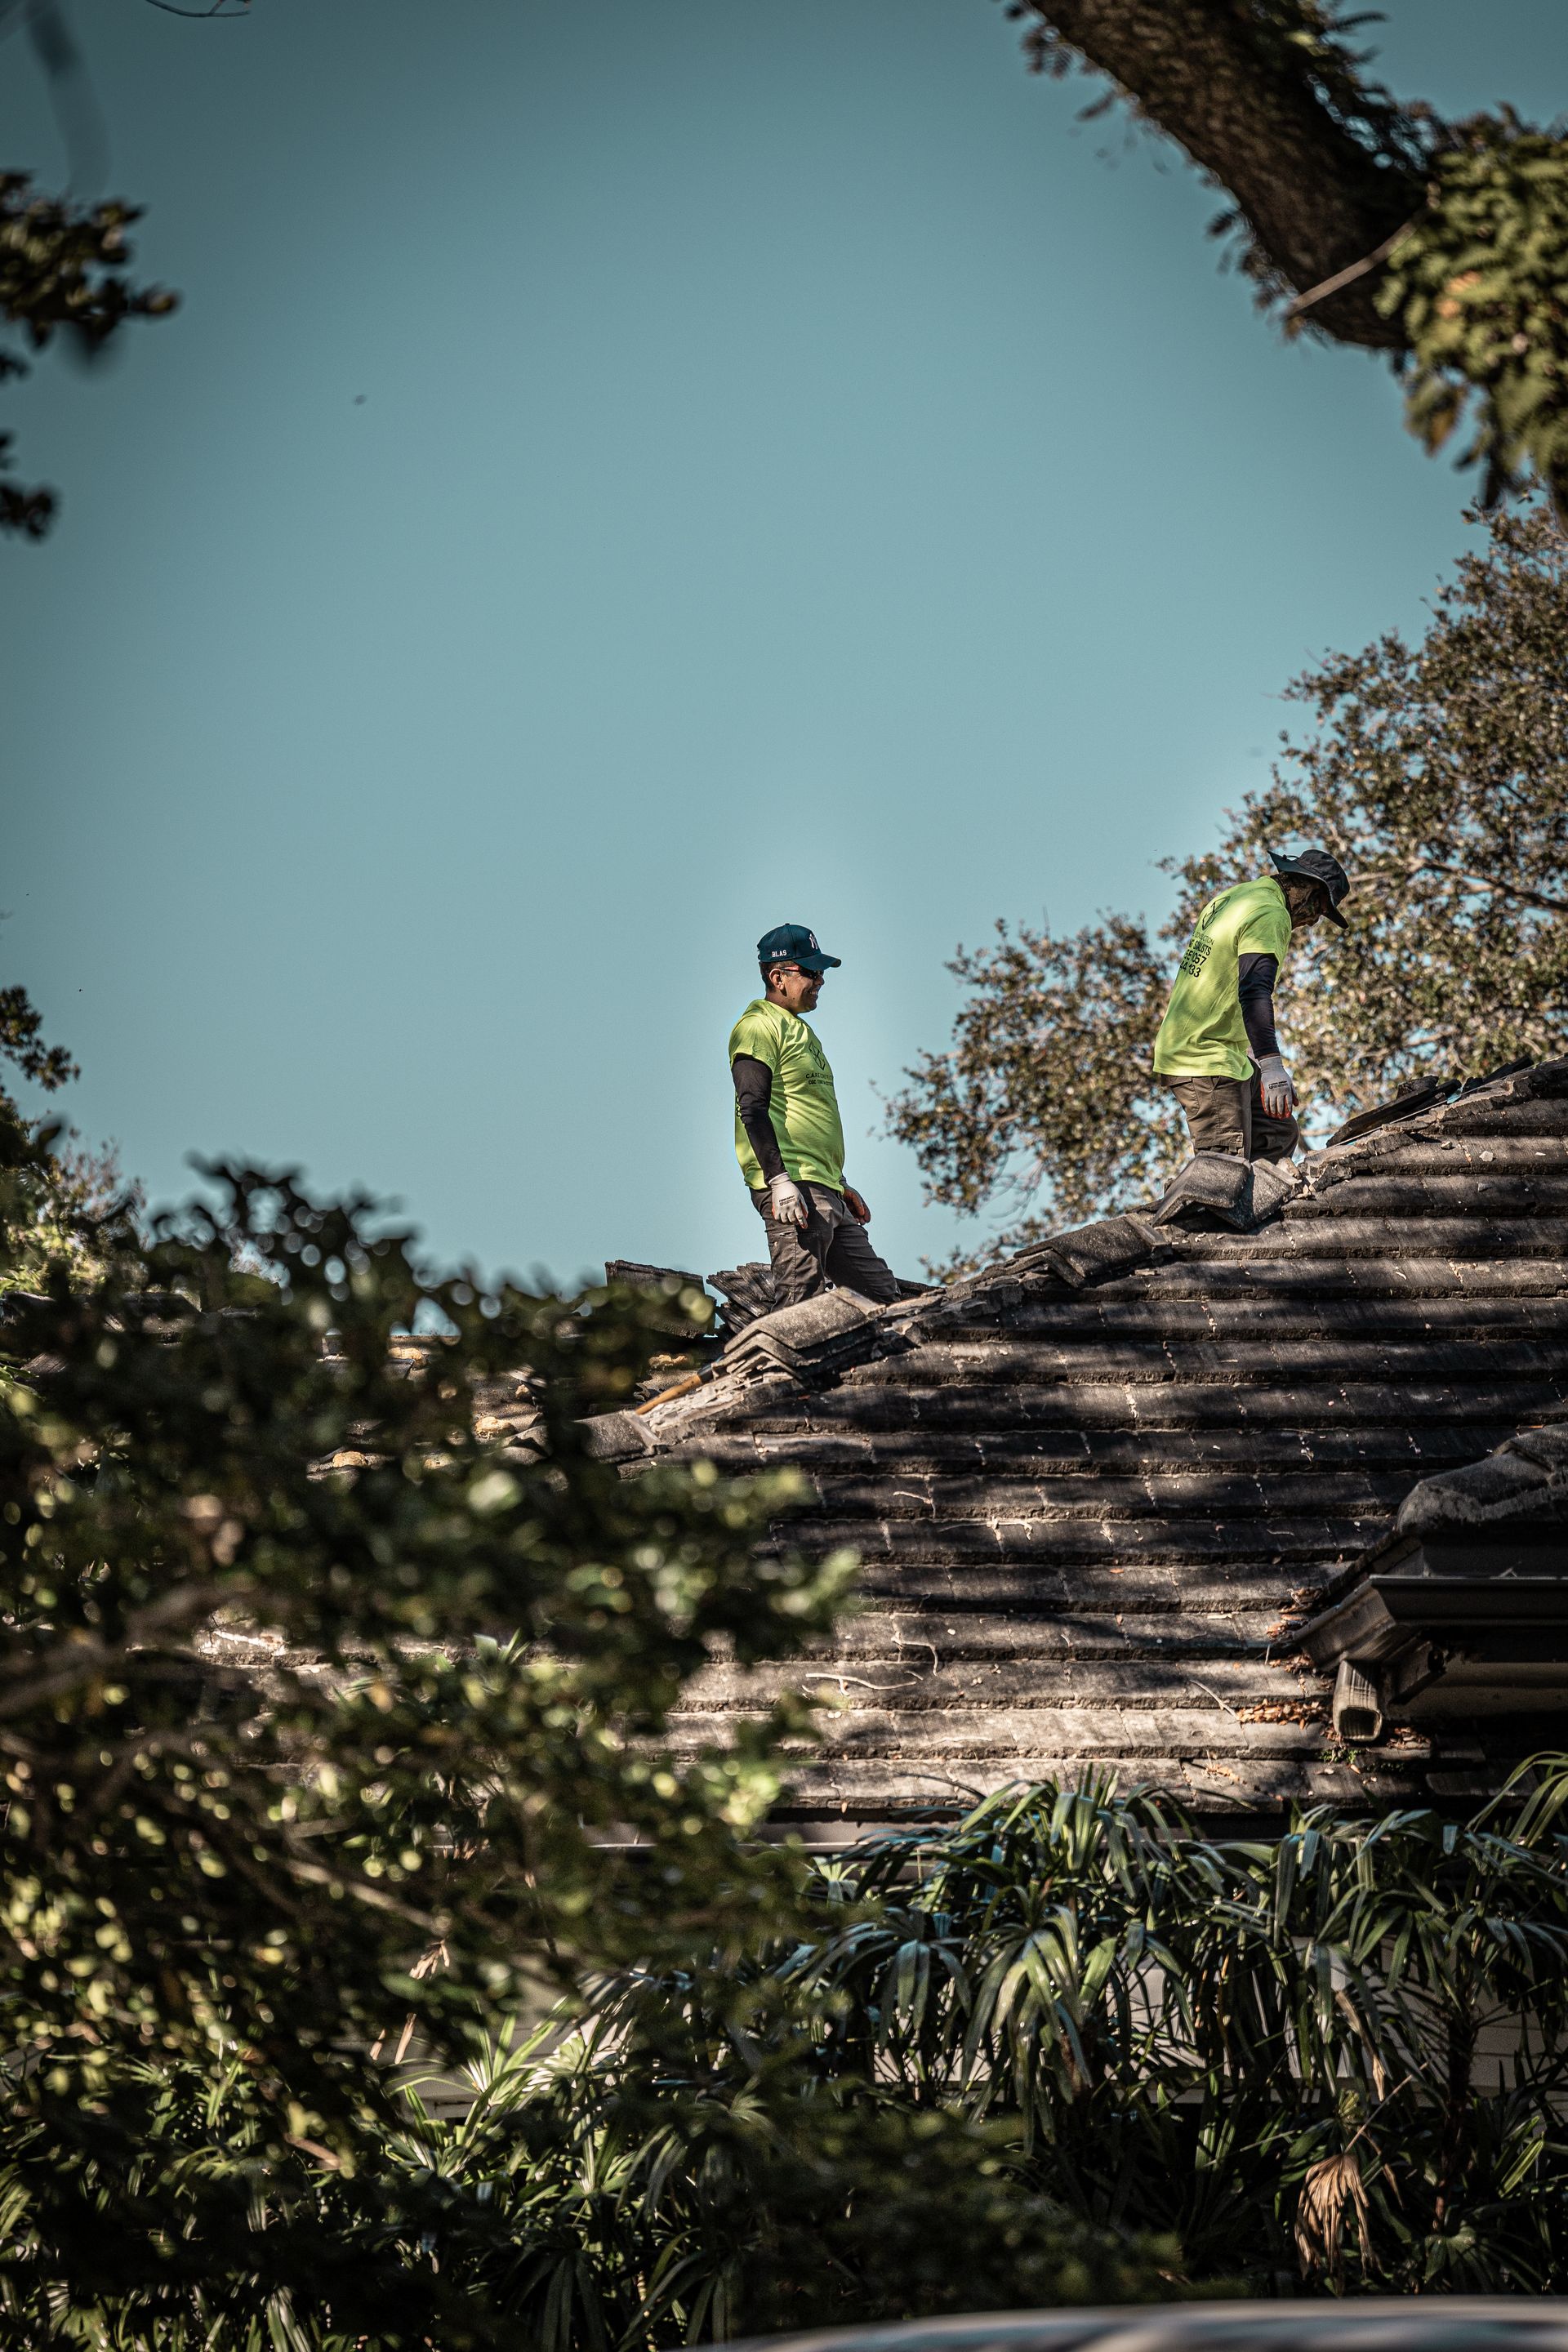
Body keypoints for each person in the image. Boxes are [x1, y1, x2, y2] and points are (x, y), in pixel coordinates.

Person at [728, 924, 901, 1307]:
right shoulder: (758, 1026)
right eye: (810, 972)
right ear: (778, 977)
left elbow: (807, 1116)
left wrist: (839, 1182)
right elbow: (752, 1108)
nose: (821, 980)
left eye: (821, 972)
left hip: (823, 1188)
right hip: (794, 1191)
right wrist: (779, 1182)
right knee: (795, 1306)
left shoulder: (801, 1030)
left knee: (883, 1297)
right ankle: (764, 1368)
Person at [1153, 847, 1351, 1162]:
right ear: (1308, 888)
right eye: (1320, 909)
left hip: (1222, 1050)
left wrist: (1254, 1059)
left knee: (1278, 1133)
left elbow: (1223, 983)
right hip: (1206, 1059)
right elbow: (1254, 990)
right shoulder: (1271, 914)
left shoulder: (1238, 897)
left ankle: (1257, 1207)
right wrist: (1272, 1066)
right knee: (1222, 1177)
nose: (1313, 922)